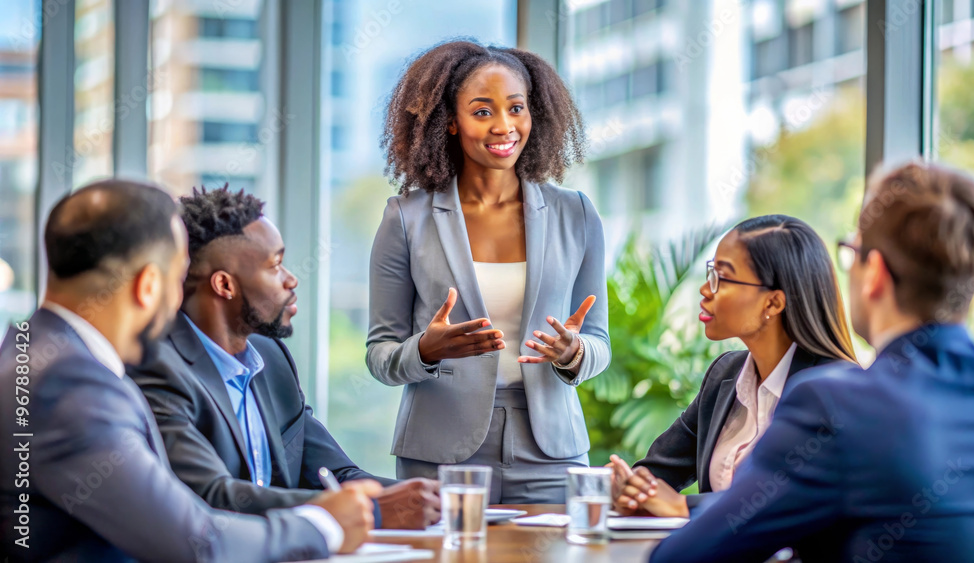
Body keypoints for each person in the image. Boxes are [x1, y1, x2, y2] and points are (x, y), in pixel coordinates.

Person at [622, 162, 974, 562]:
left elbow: (681, 558)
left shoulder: (835, 403)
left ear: (873, 273)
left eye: (851, 252)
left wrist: (683, 509)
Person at [0, 180, 380, 562]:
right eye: (178, 277)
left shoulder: (37, 358)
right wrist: (324, 524)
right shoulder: (67, 385)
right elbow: (197, 542)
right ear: (149, 285)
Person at [367, 40, 611, 504]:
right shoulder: (405, 218)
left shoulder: (575, 213)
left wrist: (573, 352)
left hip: (551, 454)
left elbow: (599, 343)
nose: (504, 126)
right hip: (440, 454)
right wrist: (425, 350)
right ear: (451, 122)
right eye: (482, 111)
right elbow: (380, 354)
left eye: (516, 108)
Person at [127, 186, 440, 530]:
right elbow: (210, 495)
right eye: (275, 265)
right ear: (224, 285)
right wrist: (372, 510)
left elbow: (334, 473)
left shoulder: (270, 355)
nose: (291, 279)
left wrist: (435, 498)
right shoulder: (157, 368)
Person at [609, 215, 857, 513]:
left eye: (721, 277)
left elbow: (787, 502)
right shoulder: (724, 375)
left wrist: (684, 506)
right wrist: (632, 488)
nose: (705, 290)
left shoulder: (836, 389)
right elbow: (655, 474)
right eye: (710, 272)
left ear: (773, 303)